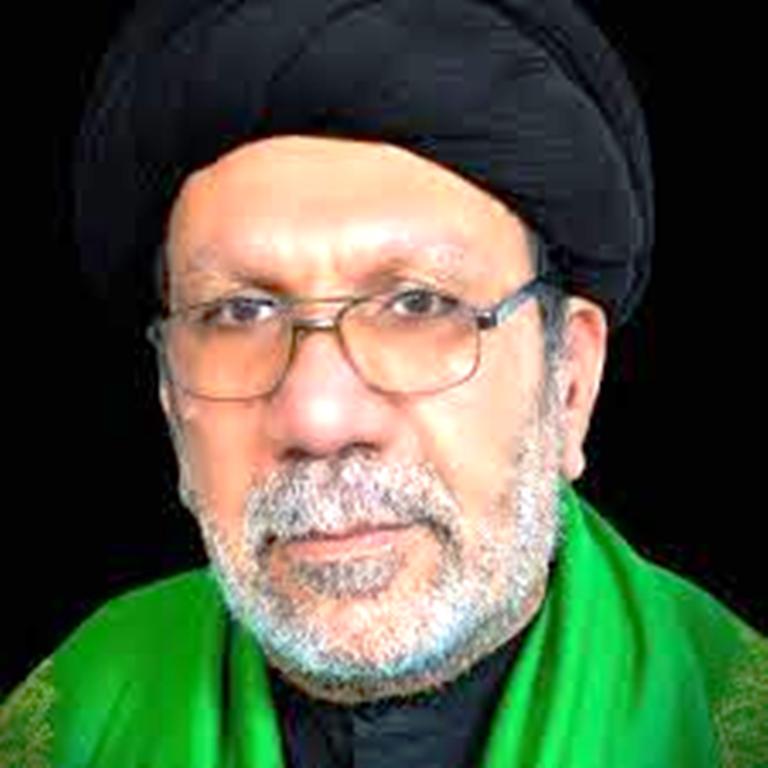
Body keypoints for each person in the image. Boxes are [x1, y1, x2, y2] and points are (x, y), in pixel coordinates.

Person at [2, 0, 766, 766]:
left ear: (568, 380)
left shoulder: (730, 726)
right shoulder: (70, 722)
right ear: (172, 403)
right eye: (240, 312)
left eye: (418, 304)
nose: (319, 419)